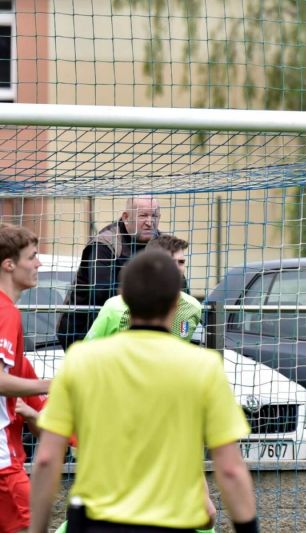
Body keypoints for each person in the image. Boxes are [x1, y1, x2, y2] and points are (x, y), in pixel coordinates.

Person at [29, 251, 257, 532]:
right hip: (171, 521)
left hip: (97, 522)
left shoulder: (82, 361)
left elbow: (47, 459)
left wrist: (37, 528)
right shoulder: (203, 367)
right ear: (177, 301)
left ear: (123, 296)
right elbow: (231, 469)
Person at [56, 196, 162, 349]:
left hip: (137, 334)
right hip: (83, 333)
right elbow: (104, 294)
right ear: (126, 217)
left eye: (154, 216)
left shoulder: (164, 244)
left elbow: (180, 287)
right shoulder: (104, 244)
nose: (149, 222)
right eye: (143, 215)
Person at [0, 224, 50, 533]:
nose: (39, 264)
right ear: (9, 264)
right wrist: (53, 384)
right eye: (32, 257)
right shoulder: (5, 312)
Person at [85, 234, 201, 342]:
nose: (177, 268)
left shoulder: (193, 307)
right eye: (169, 262)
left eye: (181, 262)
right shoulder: (115, 308)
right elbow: (88, 351)